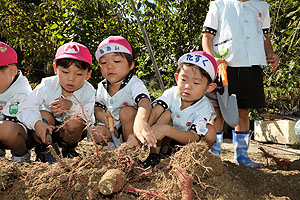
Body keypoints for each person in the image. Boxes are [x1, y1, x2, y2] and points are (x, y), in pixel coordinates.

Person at [202, 0, 280, 167]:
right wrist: (212, 59)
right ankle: (214, 155)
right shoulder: (219, 5)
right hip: (223, 67)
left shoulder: (262, 7)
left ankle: (242, 156)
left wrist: (271, 53)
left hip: (251, 67)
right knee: (219, 112)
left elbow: (265, 38)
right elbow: (207, 37)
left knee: (243, 112)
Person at [17, 42, 95, 162]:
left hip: (68, 133)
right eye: (65, 72)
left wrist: (71, 106)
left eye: (79, 74)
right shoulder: (47, 85)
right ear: (55, 68)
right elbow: (25, 108)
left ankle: (69, 149)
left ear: (88, 74)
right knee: (44, 115)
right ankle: (44, 150)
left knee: (75, 122)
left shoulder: (89, 91)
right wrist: (37, 123)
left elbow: (89, 117)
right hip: (47, 129)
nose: (71, 78)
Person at [145, 51, 218, 168]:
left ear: (209, 87)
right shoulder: (171, 94)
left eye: (196, 82)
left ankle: (194, 157)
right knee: (166, 114)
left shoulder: (205, 108)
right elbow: (155, 111)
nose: (188, 86)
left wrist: (167, 130)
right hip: (163, 139)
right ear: (177, 78)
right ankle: (154, 155)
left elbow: (194, 137)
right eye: (184, 80)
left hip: (187, 143)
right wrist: (144, 129)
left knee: (210, 132)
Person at [93, 36, 156, 149]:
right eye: (104, 62)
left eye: (116, 61)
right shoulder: (102, 86)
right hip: (114, 127)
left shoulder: (134, 83)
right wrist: (103, 117)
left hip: (133, 127)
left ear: (131, 64)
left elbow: (144, 102)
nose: (110, 66)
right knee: (96, 132)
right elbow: (98, 107)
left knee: (126, 112)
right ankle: (116, 146)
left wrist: (141, 121)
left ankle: (132, 149)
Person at [0, 42, 33, 163]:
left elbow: (11, 120)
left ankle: (21, 154)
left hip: (20, 132)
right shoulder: (4, 82)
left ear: (12, 71)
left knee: (4, 128)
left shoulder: (21, 92)